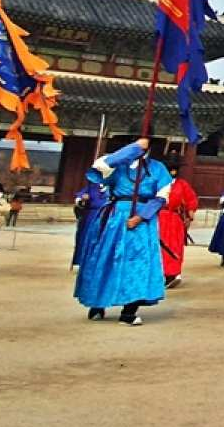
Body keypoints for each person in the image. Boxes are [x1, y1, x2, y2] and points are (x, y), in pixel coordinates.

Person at [74, 139, 170, 325]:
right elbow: (100, 167)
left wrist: (141, 216)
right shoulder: (118, 164)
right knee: (106, 259)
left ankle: (128, 312)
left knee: (138, 263)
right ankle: (98, 304)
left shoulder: (158, 168)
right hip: (115, 217)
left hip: (142, 221)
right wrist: (134, 149)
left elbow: (162, 197)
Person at [157, 158, 197, 288]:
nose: (172, 171)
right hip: (158, 216)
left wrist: (190, 212)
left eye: (175, 168)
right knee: (158, 246)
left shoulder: (182, 184)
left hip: (174, 219)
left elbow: (191, 199)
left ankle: (173, 273)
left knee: (174, 246)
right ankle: (158, 274)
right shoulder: (157, 182)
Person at [71, 175, 109, 268]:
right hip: (91, 216)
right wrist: (82, 198)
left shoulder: (114, 188)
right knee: (86, 238)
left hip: (107, 216)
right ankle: (82, 261)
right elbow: (79, 197)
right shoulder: (91, 187)